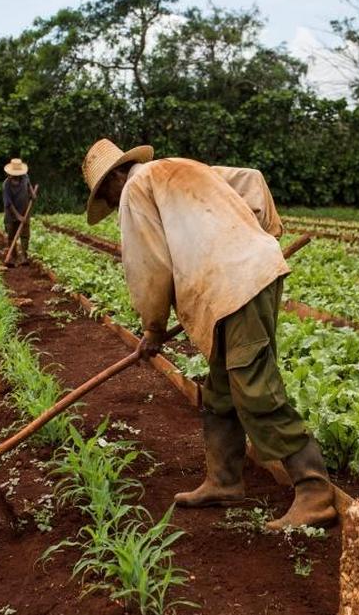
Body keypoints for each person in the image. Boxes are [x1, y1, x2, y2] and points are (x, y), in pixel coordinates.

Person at [79, 138, 336, 531]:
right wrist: (262, 237)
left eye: (105, 194)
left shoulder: (134, 189)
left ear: (116, 176)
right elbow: (251, 180)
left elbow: (149, 265)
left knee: (253, 384)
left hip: (237, 285)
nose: (112, 203)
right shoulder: (178, 167)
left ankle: (314, 492)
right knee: (220, 389)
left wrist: (153, 327)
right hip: (235, 281)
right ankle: (224, 480)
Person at [2, 158, 37, 266]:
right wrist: (18, 216)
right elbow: (9, 204)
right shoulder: (6, 185)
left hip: (25, 211)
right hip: (11, 214)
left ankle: (24, 257)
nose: (16, 176)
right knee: (11, 235)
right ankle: (12, 257)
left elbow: (29, 185)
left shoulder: (25, 177)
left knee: (25, 235)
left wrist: (32, 194)